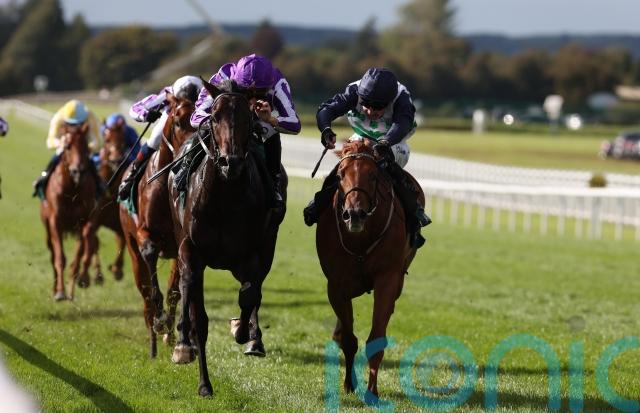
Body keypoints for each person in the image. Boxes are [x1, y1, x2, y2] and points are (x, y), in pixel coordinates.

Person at [303, 67, 431, 247]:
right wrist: (326, 130)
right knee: (345, 168)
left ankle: (414, 214)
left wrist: (385, 142)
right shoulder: (354, 91)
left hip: (394, 141)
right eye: (366, 105)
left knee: (386, 164)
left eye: (378, 107)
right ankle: (319, 203)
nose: (370, 111)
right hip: (361, 137)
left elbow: (402, 124)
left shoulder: (401, 97)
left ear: (389, 101)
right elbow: (326, 110)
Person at [174, 54, 301, 208]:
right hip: (228, 117)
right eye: (248, 93)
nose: (254, 98)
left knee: (272, 133)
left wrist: (271, 120)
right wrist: (221, 121)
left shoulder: (279, 83)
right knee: (208, 128)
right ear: (238, 84)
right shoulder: (223, 77)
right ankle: (185, 167)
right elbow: (196, 117)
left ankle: (274, 183)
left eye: (261, 93)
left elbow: (295, 124)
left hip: (262, 119)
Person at [117, 75, 203, 200]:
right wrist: (146, 115)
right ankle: (132, 174)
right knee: (154, 140)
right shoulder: (167, 94)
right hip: (173, 117)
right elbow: (135, 109)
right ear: (175, 97)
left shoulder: (205, 96)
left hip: (198, 119)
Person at [32, 100, 102, 197]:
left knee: (93, 164)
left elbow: (98, 142)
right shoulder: (58, 118)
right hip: (65, 146)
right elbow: (50, 141)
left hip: (84, 146)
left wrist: (88, 147)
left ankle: (100, 185)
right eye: (71, 124)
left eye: (79, 124)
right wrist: (60, 143)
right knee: (55, 158)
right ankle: (43, 179)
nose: (75, 127)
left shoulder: (90, 117)